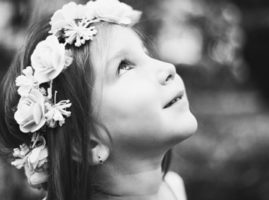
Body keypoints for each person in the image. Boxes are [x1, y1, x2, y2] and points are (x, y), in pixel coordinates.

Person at [0, 0, 198, 200]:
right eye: (124, 66)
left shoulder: (173, 188)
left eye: (146, 53)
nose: (168, 68)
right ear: (87, 144)